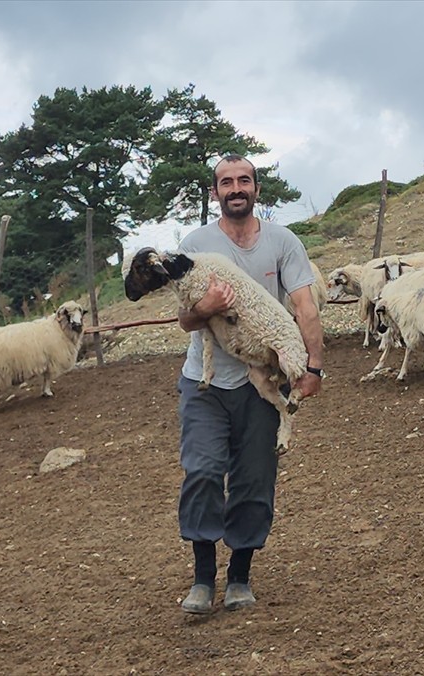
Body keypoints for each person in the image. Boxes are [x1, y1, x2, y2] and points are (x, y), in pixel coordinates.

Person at [174, 154, 324, 614]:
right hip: (206, 383)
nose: (235, 188)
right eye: (226, 182)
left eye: (244, 180)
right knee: (201, 471)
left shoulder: (283, 242)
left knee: (255, 481)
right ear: (214, 192)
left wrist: (313, 366)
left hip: (262, 382)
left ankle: (239, 575)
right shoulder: (195, 244)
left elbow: (304, 305)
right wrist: (207, 305)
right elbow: (184, 321)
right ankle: (202, 580)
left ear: (257, 189)